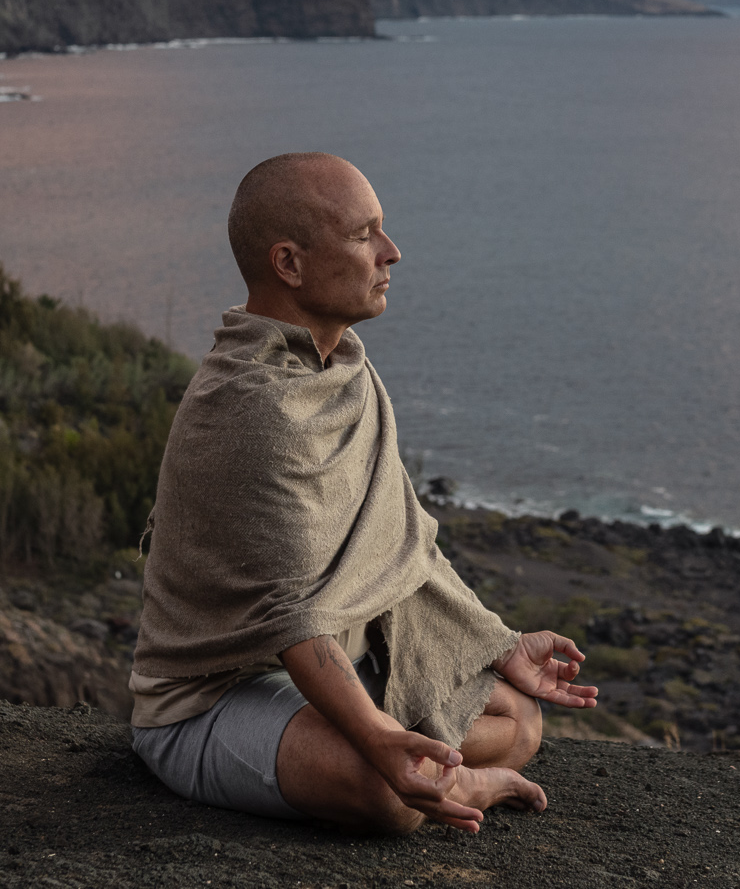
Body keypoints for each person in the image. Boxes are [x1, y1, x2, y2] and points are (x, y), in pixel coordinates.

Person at [129, 152, 598, 833]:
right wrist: (380, 742)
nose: (392, 252)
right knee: (386, 796)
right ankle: (454, 781)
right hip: (212, 698)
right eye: (363, 234)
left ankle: (430, 768)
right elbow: (289, 616)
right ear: (289, 263)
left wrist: (497, 643)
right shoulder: (250, 406)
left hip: (329, 670)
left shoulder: (344, 366)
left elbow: (403, 543)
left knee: (518, 719)